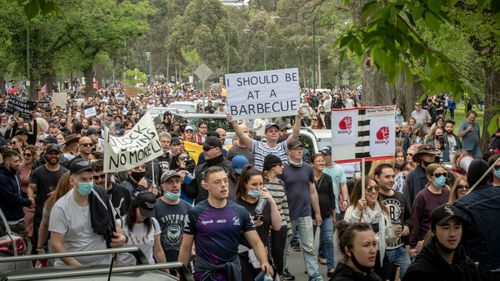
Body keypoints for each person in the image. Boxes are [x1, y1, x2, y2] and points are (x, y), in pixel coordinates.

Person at [178, 166, 273, 280]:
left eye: (225, 180)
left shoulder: (240, 211)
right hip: (206, 273)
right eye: (217, 182)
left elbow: (256, 242)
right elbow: (186, 247)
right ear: (206, 185)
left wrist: (264, 261)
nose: (223, 185)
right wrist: (181, 274)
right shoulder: (195, 212)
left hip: (232, 271)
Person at [49, 158, 126, 266]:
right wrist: (79, 268)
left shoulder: (101, 196)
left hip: (103, 266)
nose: (88, 183)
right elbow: (56, 244)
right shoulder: (60, 207)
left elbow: (115, 224)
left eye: (90, 179)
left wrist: (122, 237)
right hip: (72, 271)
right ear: (72, 180)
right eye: (83, 179)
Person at [403, 204, 481, 281]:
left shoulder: (468, 265)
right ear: (434, 230)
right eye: (446, 228)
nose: (452, 234)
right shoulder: (419, 272)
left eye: (457, 227)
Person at [281, 140, 323, 281]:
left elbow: (312, 191)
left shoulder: (307, 168)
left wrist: (317, 212)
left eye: (301, 148)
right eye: (296, 149)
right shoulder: (282, 168)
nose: (300, 151)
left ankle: (314, 275)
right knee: (284, 248)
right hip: (287, 215)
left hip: (305, 213)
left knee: (309, 247)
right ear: (289, 151)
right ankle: (282, 272)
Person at [454, 159, 500, 281]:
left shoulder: (462, 204)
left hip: (480, 270)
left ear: (469, 178)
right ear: (489, 176)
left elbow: (457, 240)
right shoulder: (463, 204)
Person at [341, 178, 396, 280]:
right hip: (361, 257)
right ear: (361, 191)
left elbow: (388, 238)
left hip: (380, 256)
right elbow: (347, 232)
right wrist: (358, 210)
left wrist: (395, 235)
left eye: (376, 188)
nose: (374, 192)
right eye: (369, 189)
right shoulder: (352, 209)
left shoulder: (383, 210)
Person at [235, 166, 282, 281]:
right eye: (254, 185)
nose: (258, 188)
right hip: (243, 255)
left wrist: (271, 201)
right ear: (245, 184)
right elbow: (231, 232)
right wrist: (247, 226)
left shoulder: (264, 202)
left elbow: (277, 226)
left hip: (264, 253)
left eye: (261, 184)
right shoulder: (236, 205)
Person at [228, 109, 303, 171]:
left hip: (281, 184)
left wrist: (298, 118)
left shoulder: (283, 146)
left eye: (276, 131)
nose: (274, 133)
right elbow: (241, 135)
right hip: (262, 184)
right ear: (265, 134)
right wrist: (233, 122)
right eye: (271, 131)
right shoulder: (257, 145)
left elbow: (295, 134)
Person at [373, 164, 411, 280]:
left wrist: (407, 227)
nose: (391, 180)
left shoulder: (399, 196)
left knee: (408, 274)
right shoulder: (373, 197)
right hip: (381, 250)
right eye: (387, 177)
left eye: (393, 176)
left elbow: (408, 217)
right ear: (377, 178)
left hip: (400, 247)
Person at [30, 144, 68, 252]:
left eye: (56, 153)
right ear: (46, 155)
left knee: (58, 241)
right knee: (39, 241)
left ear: (59, 155)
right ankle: (38, 263)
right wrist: (30, 196)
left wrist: (57, 193)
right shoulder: (38, 171)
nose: (53, 156)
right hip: (41, 211)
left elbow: (70, 190)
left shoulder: (65, 172)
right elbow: (31, 187)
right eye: (51, 153)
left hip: (60, 212)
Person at [262, 154, 293, 280]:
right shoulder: (261, 182)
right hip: (265, 225)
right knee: (266, 254)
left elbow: (285, 206)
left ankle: (280, 275)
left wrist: (289, 228)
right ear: (272, 167)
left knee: (279, 254)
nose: (283, 167)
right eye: (280, 165)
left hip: (281, 225)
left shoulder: (281, 183)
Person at [409, 163, 451, 257]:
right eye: (438, 175)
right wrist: (413, 245)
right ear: (429, 177)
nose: (442, 177)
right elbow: (415, 220)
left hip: (444, 239)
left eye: (444, 174)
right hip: (427, 241)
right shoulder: (422, 196)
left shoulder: (448, 193)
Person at [117, 191, 167, 267]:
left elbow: (158, 251)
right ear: (135, 206)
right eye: (142, 212)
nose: (144, 216)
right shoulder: (119, 224)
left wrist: (166, 272)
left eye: (148, 213)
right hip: (124, 272)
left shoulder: (153, 222)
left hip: (148, 271)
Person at [155, 170, 191, 263]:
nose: (175, 185)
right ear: (162, 186)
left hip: (182, 260)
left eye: (177, 181)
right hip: (161, 261)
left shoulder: (188, 208)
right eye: (170, 182)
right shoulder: (155, 207)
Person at [311, 153, 336, 277]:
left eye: (322, 161)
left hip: (326, 215)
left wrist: (333, 215)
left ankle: (331, 267)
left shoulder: (327, 178)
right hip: (310, 216)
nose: (322, 163)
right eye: (318, 161)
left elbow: (332, 196)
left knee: (328, 240)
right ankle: (311, 267)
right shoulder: (308, 178)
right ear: (312, 164)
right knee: (309, 243)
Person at [0, 150, 34, 240]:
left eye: (19, 160)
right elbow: (10, 197)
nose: (18, 164)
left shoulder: (15, 173)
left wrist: (29, 197)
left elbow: (18, 192)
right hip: (9, 221)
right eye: (15, 161)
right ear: (7, 162)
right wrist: (28, 202)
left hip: (19, 217)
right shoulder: (1, 177)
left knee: (23, 247)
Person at [36, 172, 71, 256]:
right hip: (60, 245)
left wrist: (40, 247)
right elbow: (44, 225)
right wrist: (40, 247)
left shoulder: (51, 202)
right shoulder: (52, 203)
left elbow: (44, 225)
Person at [190, 136, 233, 203]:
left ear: (217, 149)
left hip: (221, 207)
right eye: (203, 148)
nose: (203, 151)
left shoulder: (228, 166)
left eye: (206, 148)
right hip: (202, 209)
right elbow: (193, 193)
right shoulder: (199, 168)